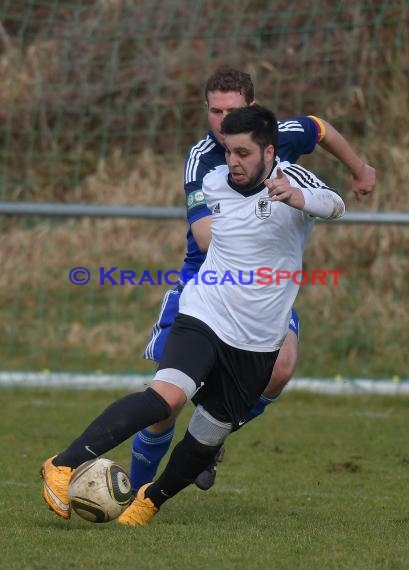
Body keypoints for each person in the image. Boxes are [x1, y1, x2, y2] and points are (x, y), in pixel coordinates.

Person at [41, 104, 345, 526]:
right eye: (229, 151)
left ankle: (151, 501)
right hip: (205, 314)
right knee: (166, 396)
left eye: (243, 153)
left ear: (269, 152)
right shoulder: (214, 181)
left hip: (258, 339)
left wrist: (300, 198)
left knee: (208, 435)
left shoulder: (292, 178)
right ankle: (62, 464)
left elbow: (336, 205)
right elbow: (204, 229)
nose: (233, 162)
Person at [129, 65, 375, 493]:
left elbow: (319, 129)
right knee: (165, 402)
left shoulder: (278, 134)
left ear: (253, 111)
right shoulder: (202, 160)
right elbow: (205, 238)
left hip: (263, 285)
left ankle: (210, 438)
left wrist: (359, 168)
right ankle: (132, 492)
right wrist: (259, 218)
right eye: (214, 111)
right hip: (206, 281)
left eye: (233, 111)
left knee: (280, 367)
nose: (223, 123)